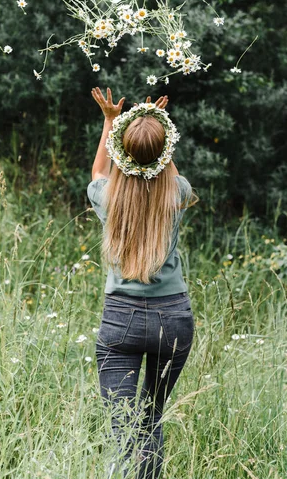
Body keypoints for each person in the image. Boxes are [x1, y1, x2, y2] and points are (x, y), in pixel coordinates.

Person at [88, 87, 197, 479]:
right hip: (175, 320)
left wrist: (109, 122)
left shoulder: (106, 198)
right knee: (152, 419)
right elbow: (172, 173)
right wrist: (159, 134)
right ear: (165, 155)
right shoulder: (177, 194)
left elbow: (98, 173)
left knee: (123, 426)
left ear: (122, 152)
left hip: (121, 321)